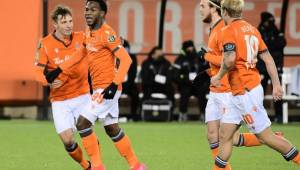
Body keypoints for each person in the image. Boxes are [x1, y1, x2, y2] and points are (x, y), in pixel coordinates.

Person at [47, 1, 147, 170]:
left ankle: (97, 166)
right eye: (86, 9)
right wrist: (59, 70)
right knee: (111, 128)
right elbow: (81, 53)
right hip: (103, 88)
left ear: (102, 13)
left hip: (108, 88)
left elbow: (126, 60)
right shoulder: (89, 32)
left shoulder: (107, 33)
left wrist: (114, 85)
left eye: (93, 10)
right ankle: (136, 165)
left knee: (82, 123)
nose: (88, 13)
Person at [210, 0, 300, 169]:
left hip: (245, 92)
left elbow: (229, 60)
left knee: (266, 137)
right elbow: (267, 58)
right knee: (225, 133)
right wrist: (276, 84)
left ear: (224, 12)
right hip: (243, 90)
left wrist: (218, 76)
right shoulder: (252, 29)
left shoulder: (227, 30)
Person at [197, 1, 269, 168]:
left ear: (214, 8)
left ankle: (268, 138)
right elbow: (221, 61)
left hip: (227, 90)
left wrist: (205, 57)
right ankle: (267, 137)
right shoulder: (214, 29)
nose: (200, 9)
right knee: (212, 135)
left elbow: (228, 60)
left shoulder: (224, 28)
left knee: (229, 137)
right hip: (215, 89)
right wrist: (208, 73)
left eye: (202, 6)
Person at [34, 5, 91, 170]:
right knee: (67, 140)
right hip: (60, 99)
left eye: (71, 21)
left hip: (82, 94)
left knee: (87, 131)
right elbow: (37, 71)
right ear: (55, 24)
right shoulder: (45, 44)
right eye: (64, 22)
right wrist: (48, 82)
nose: (69, 25)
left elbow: (100, 41)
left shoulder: (82, 38)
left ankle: (97, 164)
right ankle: (86, 166)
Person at [257, 11, 286, 123]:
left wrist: (271, 46)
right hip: (262, 68)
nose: (272, 22)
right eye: (270, 21)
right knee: (259, 93)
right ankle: (258, 116)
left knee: (278, 91)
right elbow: (264, 48)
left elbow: (282, 43)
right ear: (264, 21)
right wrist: (272, 46)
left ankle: (279, 116)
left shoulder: (275, 30)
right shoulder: (259, 31)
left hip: (276, 66)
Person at [173, 40, 210, 121]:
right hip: (185, 84)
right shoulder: (180, 59)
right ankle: (182, 114)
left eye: (191, 47)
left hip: (198, 84)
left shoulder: (199, 58)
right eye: (188, 47)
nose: (190, 49)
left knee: (202, 93)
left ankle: (203, 114)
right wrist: (185, 79)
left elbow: (207, 70)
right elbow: (175, 75)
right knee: (184, 93)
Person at [121, 39, 140, 121]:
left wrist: (129, 83)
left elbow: (133, 72)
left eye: (125, 47)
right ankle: (113, 116)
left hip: (129, 83)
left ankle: (134, 116)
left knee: (135, 94)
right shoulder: (113, 55)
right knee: (111, 95)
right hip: (116, 83)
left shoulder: (132, 57)